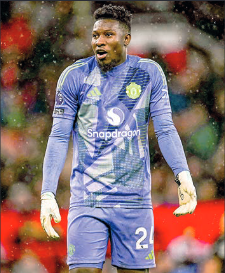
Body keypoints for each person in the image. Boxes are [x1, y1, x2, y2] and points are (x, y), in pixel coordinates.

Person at [40, 4, 197, 273]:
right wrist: (47, 193)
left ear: (126, 39)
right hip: (87, 201)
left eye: (108, 35)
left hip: (134, 202)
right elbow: (58, 136)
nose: (99, 41)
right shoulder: (74, 77)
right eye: (95, 35)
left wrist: (183, 175)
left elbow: (165, 129)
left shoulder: (149, 73)